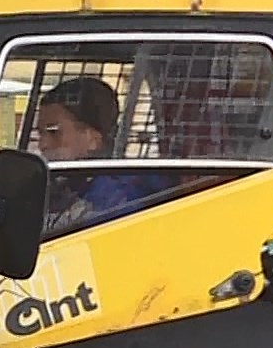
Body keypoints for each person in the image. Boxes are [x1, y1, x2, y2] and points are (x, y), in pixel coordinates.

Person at [34, 76, 172, 234]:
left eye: (54, 133)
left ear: (93, 139)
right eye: (40, 133)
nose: (42, 144)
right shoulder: (64, 187)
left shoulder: (118, 198)